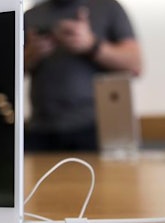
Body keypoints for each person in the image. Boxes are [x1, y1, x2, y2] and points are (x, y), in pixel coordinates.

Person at [24, 0, 142, 151]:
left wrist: (91, 45)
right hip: (40, 130)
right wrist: (28, 57)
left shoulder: (108, 7)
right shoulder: (31, 15)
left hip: (95, 129)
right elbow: (4, 76)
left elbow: (135, 64)